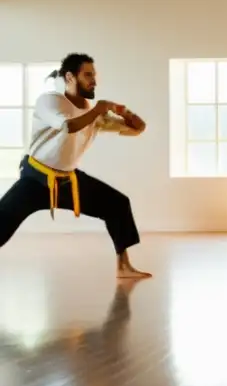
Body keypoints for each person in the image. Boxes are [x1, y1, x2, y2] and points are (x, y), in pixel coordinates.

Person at [0, 53, 150, 279]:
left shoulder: (94, 115)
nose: (94, 81)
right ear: (70, 77)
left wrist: (123, 111)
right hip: (36, 178)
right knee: (2, 221)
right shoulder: (50, 101)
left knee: (117, 204)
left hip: (69, 180)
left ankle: (124, 266)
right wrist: (99, 109)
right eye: (88, 75)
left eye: (95, 75)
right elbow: (68, 126)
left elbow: (138, 128)